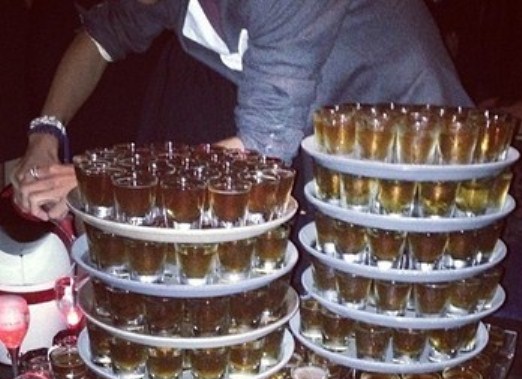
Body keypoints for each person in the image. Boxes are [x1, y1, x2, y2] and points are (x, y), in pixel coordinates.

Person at [13, 0, 471, 222]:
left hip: (421, 154)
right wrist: (45, 134)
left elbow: (260, 149)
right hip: (324, 145)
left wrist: (104, 182)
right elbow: (101, 38)